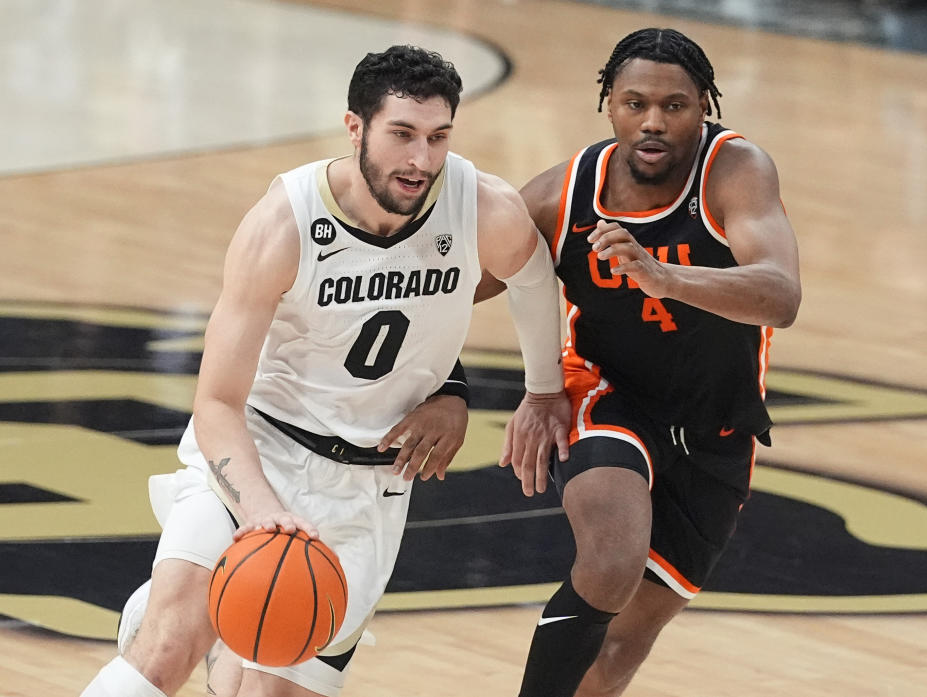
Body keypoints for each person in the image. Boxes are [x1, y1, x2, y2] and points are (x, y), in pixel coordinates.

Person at [80, 44, 570, 697]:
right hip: (260, 450)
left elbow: (534, 277)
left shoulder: (481, 206)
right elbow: (217, 403)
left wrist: (542, 389)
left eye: (438, 136)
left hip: (368, 487)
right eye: (402, 134)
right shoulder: (283, 223)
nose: (421, 159)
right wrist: (263, 515)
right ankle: (199, 609)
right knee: (165, 648)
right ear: (354, 127)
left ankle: (228, 626)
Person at [483, 27, 802, 697]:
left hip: (717, 429)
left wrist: (667, 277)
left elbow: (781, 293)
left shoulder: (736, 171)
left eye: (675, 105)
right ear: (607, 104)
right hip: (608, 396)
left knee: (621, 652)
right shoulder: (564, 194)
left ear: (705, 105)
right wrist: (466, 387)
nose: (653, 121)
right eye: (634, 103)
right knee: (610, 560)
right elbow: (458, 282)